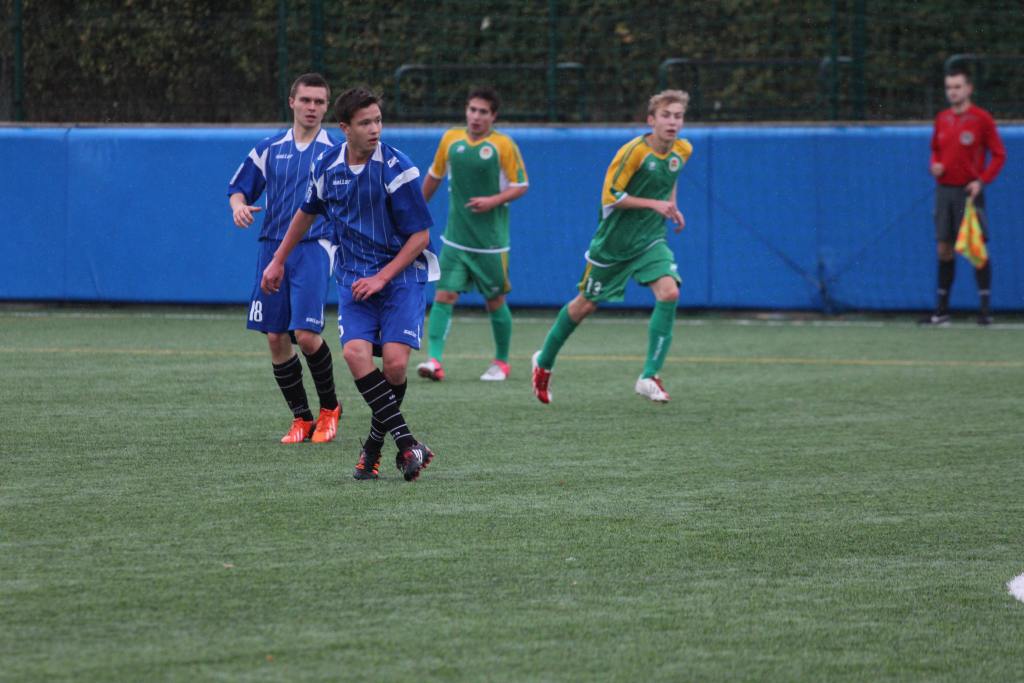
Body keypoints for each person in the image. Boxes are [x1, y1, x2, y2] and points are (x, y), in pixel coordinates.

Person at [261, 87, 439, 482]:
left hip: (401, 277)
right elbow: (305, 214)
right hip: (355, 280)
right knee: (356, 355)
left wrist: (382, 277)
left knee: (393, 365)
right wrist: (277, 260)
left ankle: (374, 450)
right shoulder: (327, 167)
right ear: (345, 128)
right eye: (365, 123)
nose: (375, 129)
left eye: (378, 120)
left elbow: (420, 239)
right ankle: (408, 443)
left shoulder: (397, 168)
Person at [531, 90, 692, 405]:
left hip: (650, 241)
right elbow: (612, 197)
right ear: (651, 120)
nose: (672, 122)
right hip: (614, 245)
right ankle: (544, 360)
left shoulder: (683, 150)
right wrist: (655, 204)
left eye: (678, 116)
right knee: (585, 305)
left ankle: (649, 376)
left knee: (669, 293)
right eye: (666, 115)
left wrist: (672, 206)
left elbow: (671, 176)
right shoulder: (633, 152)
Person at [228, 73, 343, 444]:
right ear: (291, 102)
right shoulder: (268, 147)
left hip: (314, 245)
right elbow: (239, 188)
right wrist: (239, 207)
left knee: (306, 335)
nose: (312, 108)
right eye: (306, 100)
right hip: (270, 246)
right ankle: (301, 418)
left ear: (327, 107)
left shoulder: (336, 149)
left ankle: (330, 409)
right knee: (276, 337)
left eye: (319, 102)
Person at [417, 87, 529, 382]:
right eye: (472, 110)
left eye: (483, 112)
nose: (476, 116)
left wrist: (492, 200)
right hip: (455, 239)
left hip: (490, 244)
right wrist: (413, 210)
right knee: (444, 294)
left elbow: (521, 185)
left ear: (493, 116)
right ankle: (434, 361)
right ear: (466, 111)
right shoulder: (451, 140)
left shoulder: (504, 145)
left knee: (495, 301)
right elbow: (434, 177)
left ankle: (501, 362)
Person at [922, 66, 1006, 326]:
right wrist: (934, 165)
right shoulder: (942, 118)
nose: (953, 92)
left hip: (968, 193)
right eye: (949, 88)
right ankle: (942, 310)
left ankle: (984, 311)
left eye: (957, 87)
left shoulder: (981, 119)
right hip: (944, 191)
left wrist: (981, 181)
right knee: (944, 248)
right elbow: (935, 150)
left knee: (975, 248)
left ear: (969, 88)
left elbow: (999, 154)